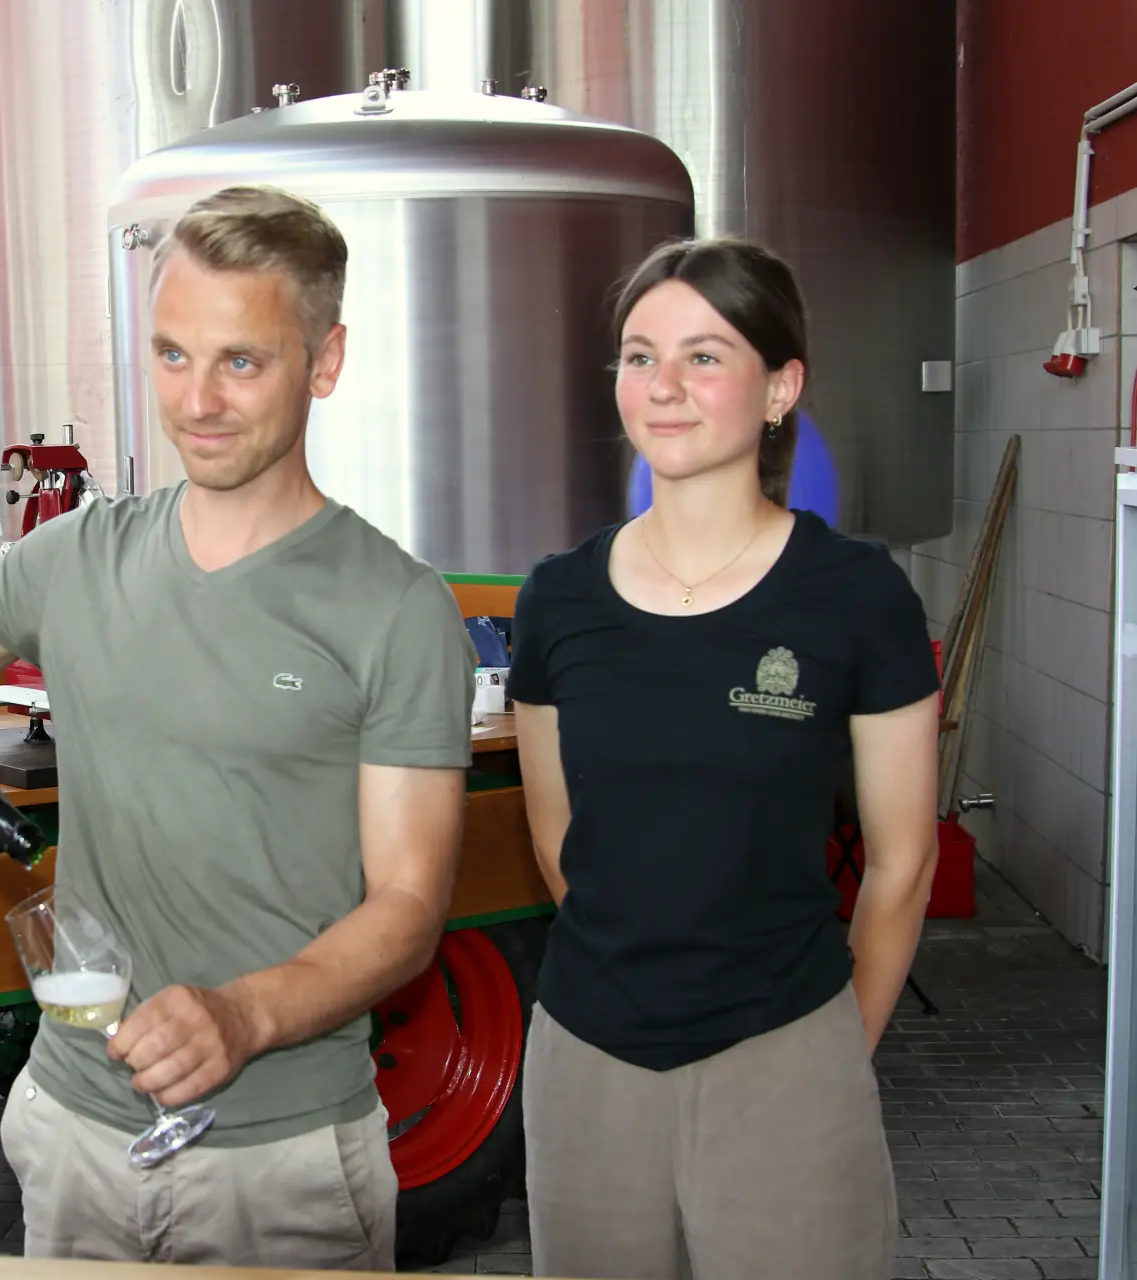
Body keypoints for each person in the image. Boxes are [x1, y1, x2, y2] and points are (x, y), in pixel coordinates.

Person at [0, 184, 476, 1270]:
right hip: (76, 1134)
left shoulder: (395, 607)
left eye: (242, 361)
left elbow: (409, 908)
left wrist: (244, 1013)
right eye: (172, 354)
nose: (198, 399)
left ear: (325, 361)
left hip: (279, 1157)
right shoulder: (77, 556)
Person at [507, 236, 940, 1280]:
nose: (663, 386)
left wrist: (830, 1053)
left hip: (785, 1051)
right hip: (588, 1062)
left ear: (781, 386)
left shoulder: (857, 596)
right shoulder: (558, 597)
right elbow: (559, 839)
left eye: (704, 356)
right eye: (639, 356)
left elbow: (903, 861)